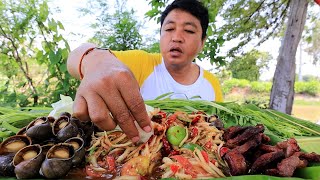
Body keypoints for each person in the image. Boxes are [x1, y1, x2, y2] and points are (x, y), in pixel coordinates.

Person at [67, 0, 223, 143]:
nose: (176, 37)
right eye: (169, 29)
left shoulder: (211, 83)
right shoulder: (141, 63)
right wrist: (95, 60)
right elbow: (75, 56)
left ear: (202, 42)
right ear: (160, 35)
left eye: (189, 30)